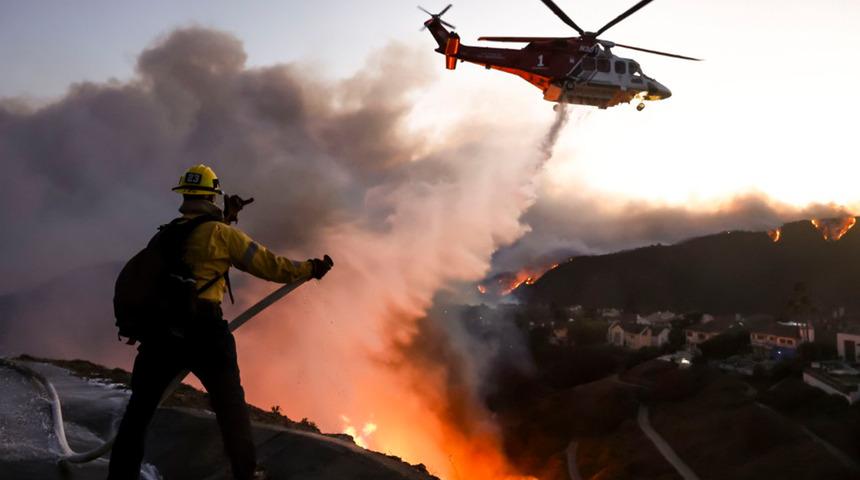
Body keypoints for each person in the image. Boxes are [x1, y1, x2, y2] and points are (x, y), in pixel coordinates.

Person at [107, 164, 331, 480]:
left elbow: (198, 242)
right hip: (204, 332)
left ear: (184, 194)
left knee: (139, 412)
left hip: (162, 334)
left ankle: (119, 476)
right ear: (213, 195)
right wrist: (310, 268)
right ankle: (244, 473)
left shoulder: (166, 234)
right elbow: (270, 266)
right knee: (230, 408)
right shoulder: (222, 235)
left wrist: (227, 217)